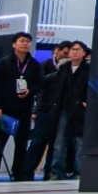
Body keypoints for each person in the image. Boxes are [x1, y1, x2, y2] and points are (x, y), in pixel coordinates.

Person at [0, 32, 43, 182]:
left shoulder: (34, 64)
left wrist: (30, 91)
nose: (25, 43)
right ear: (14, 44)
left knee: (21, 144)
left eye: (28, 41)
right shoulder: (4, 63)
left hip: (24, 110)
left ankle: (18, 173)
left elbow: (39, 84)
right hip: (6, 111)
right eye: (22, 41)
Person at [25, 41, 72, 179]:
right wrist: (35, 110)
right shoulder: (45, 65)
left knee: (55, 142)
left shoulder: (71, 68)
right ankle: (27, 171)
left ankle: (49, 171)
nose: (66, 56)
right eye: (65, 53)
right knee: (37, 141)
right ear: (57, 51)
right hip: (44, 108)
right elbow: (40, 84)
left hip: (60, 109)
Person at [49, 41, 89, 180]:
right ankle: (57, 171)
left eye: (78, 49)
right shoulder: (64, 68)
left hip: (80, 110)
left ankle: (80, 171)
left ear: (84, 53)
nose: (75, 52)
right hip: (64, 109)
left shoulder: (89, 69)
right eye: (73, 49)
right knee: (59, 143)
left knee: (79, 142)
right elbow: (56, 88)